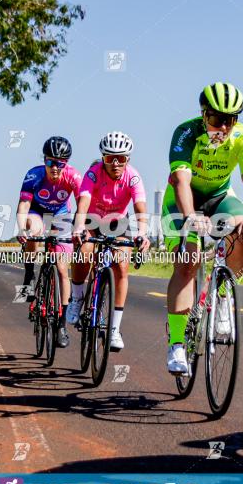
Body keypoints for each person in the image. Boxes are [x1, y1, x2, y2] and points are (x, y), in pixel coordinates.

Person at [162, 82, 243, 375]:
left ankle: (222, 297)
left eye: (231, 120)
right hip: (183, 200)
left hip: (220, 197)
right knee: (188, 263)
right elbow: (181, 182)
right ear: (203, 114)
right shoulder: (186, 132)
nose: (224, 126)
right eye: (217, 118)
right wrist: (191, 216)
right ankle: (177, 345)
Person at [67, 131, 150, 351]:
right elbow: (83, 202)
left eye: (120, 158)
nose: (115, 163)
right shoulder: (93, 174)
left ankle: (113, 329)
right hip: (91, 219)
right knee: (84, 252)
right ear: (102, 158)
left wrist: (143, 232)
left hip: (117, 222)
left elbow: (140, 208)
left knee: (122, 267)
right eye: (109, 158)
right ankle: (76, 299)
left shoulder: (133, 177)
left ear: (127, 159)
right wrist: (79, 227)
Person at [16, 136, 82, 347]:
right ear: (44, 160)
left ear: (66, 163)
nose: (55, 167)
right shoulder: (33, 175)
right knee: (33, 230)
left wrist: (80, 227)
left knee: (62, 269)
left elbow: (83, 205)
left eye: (60, 163)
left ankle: (61, 324)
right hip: (37, 210)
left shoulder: (73, 176)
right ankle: (29, 273)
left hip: (61, 213)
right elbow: (23, 206)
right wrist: (21, 228)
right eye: (50, 161)